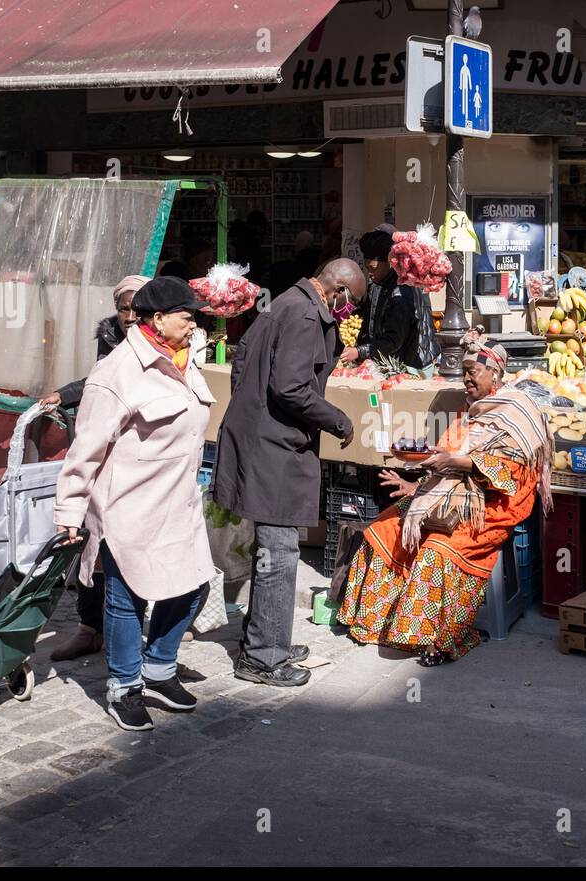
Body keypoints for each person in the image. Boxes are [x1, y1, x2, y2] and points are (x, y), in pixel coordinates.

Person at [52, 277, 219, 731]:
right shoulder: (117, 373)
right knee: (126, 602)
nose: (195, 324)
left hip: (178, 503)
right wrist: (69, 512)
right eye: (188, 317)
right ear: (158, 319)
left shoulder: (184, 359)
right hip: (128, 507)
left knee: (194, 586)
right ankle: (124, 686)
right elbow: (85, 450)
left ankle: (160, 669)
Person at [337, 334, 551, 665]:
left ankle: (438, 639)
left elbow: (508, 476)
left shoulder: (515, 410)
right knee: (384, 527)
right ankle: (379, 622)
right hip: (448, 493)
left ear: (494, 373)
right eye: (463, 371)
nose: (466, 379)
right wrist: (415, 485)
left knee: (436, 551)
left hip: (493, 505)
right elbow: (446, 456)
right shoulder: (470, 411)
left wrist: (457, 464)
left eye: (472, 372)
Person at [212, 259, 366, 687]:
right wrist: (338, 420)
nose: (349, 314)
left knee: (275, 552)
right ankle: (263, 657)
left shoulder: (286, 304)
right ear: (338, 290)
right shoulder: (301, 314)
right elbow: (291, 388)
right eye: (350, 304)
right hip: (272, 451)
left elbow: (245, 364)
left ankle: (268, 638)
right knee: (279, 555)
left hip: (265, 441)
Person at [38, 274, 151, 661]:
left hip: (140, 460)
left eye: (138, 309)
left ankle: (143, 627)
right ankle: (90, 628)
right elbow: (98, 385)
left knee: (134, 547)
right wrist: (65, 394)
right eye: (124, 309)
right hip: (105, 455)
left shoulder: (165, 345)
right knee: (91, 542)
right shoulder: (110, 340)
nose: (131, 317)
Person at [339, 225, 440, 376]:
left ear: (389, 262)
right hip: (386, 360)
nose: (370, 274)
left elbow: (394, 340)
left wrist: (359, 351)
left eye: (373, 268)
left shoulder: (403, 291)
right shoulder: (377, 284)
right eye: (367, 269)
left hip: (413, 364)